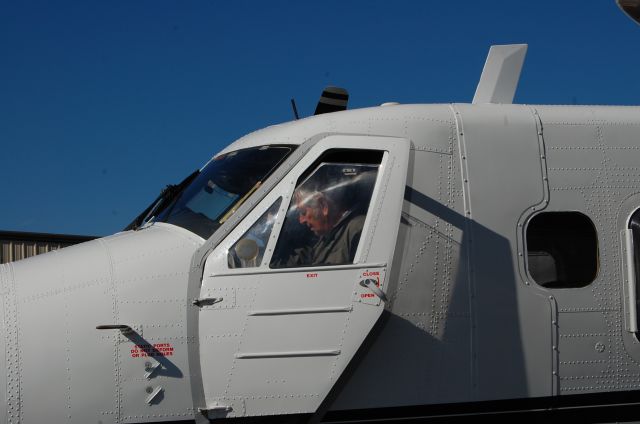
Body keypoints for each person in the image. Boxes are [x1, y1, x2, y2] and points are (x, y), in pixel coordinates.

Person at [270, 164, 376, 268]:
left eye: (303, 212)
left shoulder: (358, 231)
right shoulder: (325, 239)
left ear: (323, 205)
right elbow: (299, 262)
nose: (301, 220)